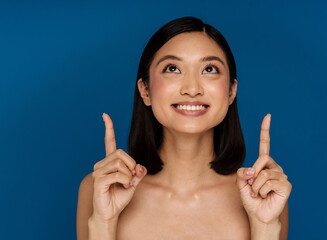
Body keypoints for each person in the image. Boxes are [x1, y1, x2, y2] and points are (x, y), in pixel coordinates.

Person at [77, 16, 292, 240]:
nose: (192, 88)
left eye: (209, 69)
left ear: (231, 91)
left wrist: (265, 227)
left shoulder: (264, 194)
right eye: (172, 68)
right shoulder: (98, 189)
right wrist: (103, 222)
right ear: (145, 90)